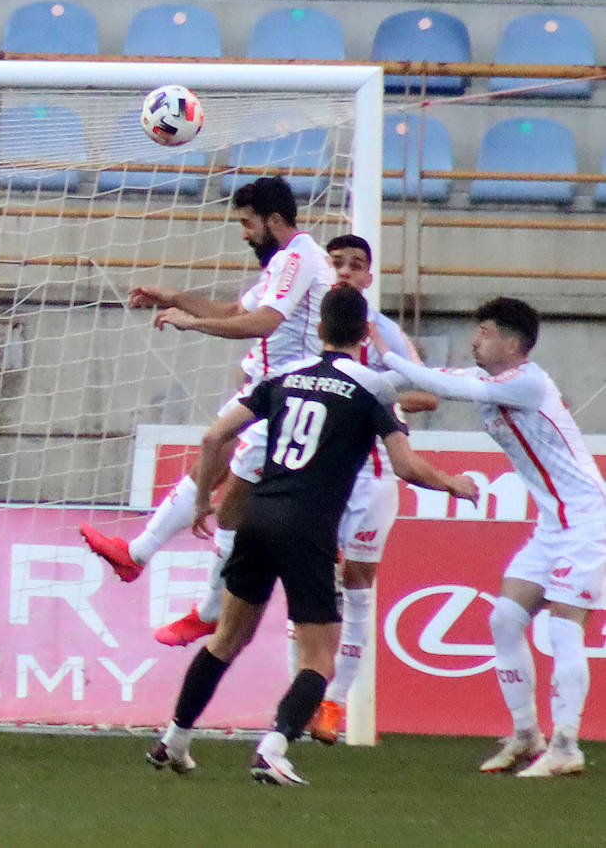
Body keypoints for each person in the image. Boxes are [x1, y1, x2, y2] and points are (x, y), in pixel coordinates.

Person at [148, 285, 476, 786]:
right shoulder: (374, 387)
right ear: (366, 332)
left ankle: (174, 739)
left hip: (258, 515)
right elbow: (405, 465)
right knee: (319, 658)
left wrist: (200, 503)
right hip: (307, 528)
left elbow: (215, 436)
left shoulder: (285, 376)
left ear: (318, 329)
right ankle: (273, 749)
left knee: (226, 639)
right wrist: (455, 483)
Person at [79, 176, 335, 647]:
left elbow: (262, 322)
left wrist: (193, 324)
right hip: (266, 391)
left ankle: (210, 608)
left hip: (289, 399)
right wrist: (175, 297)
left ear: (273, 220)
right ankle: (140, 555)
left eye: (247, 223)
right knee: (213, 462)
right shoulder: (284, 263)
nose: (243, 233)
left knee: (231, 498)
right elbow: (235, 308)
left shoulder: (298, 258)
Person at [372, 297, 606, 777]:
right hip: (553, 523)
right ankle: (525, 734)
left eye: (485, 331)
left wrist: (381, 347)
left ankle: (565, 744)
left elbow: (435, 384)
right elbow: (416, 379)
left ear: (512, 342)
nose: (475, 338)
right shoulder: (488, 381)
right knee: (503, 619)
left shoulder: (529, 382)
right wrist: (360, 378)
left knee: (564, 626)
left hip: (588, 519)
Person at [306, 234, 439, 745]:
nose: (343, 271)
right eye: (335, 262)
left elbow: (427, 392)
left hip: (373, 473)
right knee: (310, 586)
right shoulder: (303, 323)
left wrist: (372, 392)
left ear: (368, 276)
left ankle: (335, 702)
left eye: (354, 265)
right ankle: (304, 692)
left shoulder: (382, 334)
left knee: (358, 588)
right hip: (317, 470)